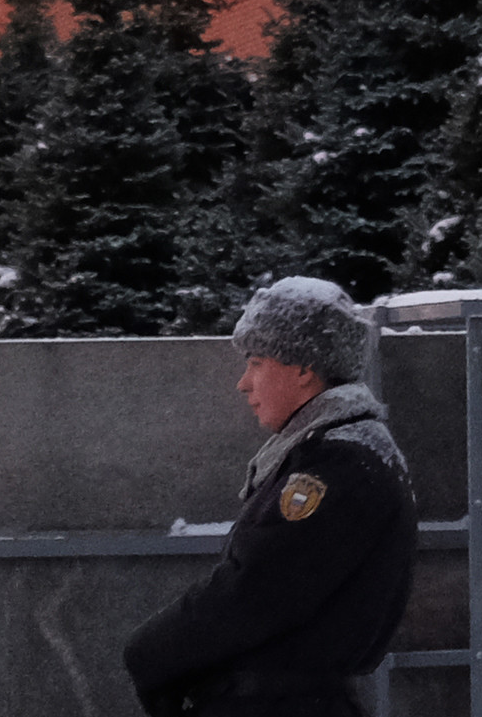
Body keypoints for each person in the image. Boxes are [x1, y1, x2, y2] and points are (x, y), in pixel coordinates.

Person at [123, 275, 420, 716]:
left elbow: (254, 594)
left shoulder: (337, 466)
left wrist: (149, 654)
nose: (244, 383)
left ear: (304, 368)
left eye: (257, 362)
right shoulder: (336, 453)